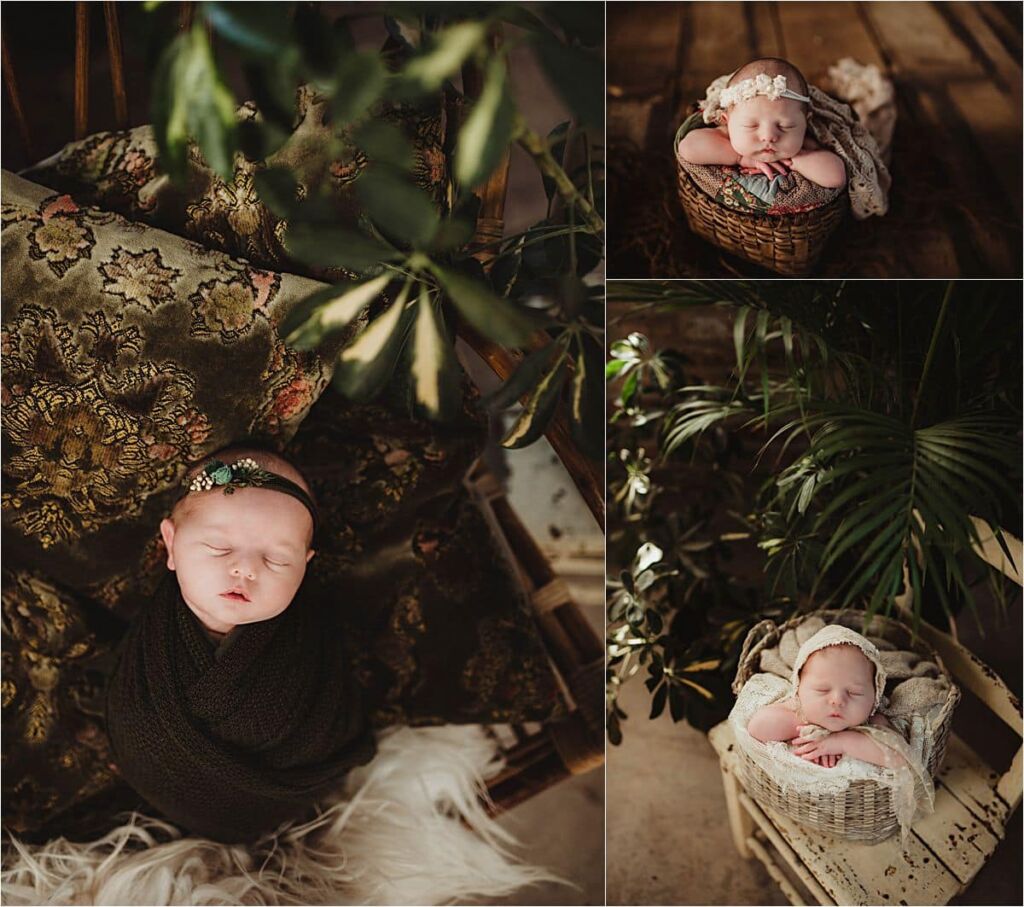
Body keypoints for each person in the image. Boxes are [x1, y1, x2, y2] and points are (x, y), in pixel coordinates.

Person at [105, 446, 376, 843]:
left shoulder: (310, 637)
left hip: (290, 800)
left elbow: (334, 722)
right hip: (167, 800)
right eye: (219, 548)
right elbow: (130, 715)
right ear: (171, 544)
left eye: (278, 561)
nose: (245, 569)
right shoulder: (154, 643)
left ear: (306, 564)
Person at [678, 57, 847, 189]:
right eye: (752, 126)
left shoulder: (804, 146)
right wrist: (741, 158)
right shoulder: (726, 135)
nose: (769, 136)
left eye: (785, 126)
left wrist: (795, 161)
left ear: (805, 123)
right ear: (726, 121)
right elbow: (687, 147)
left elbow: (837, 177)